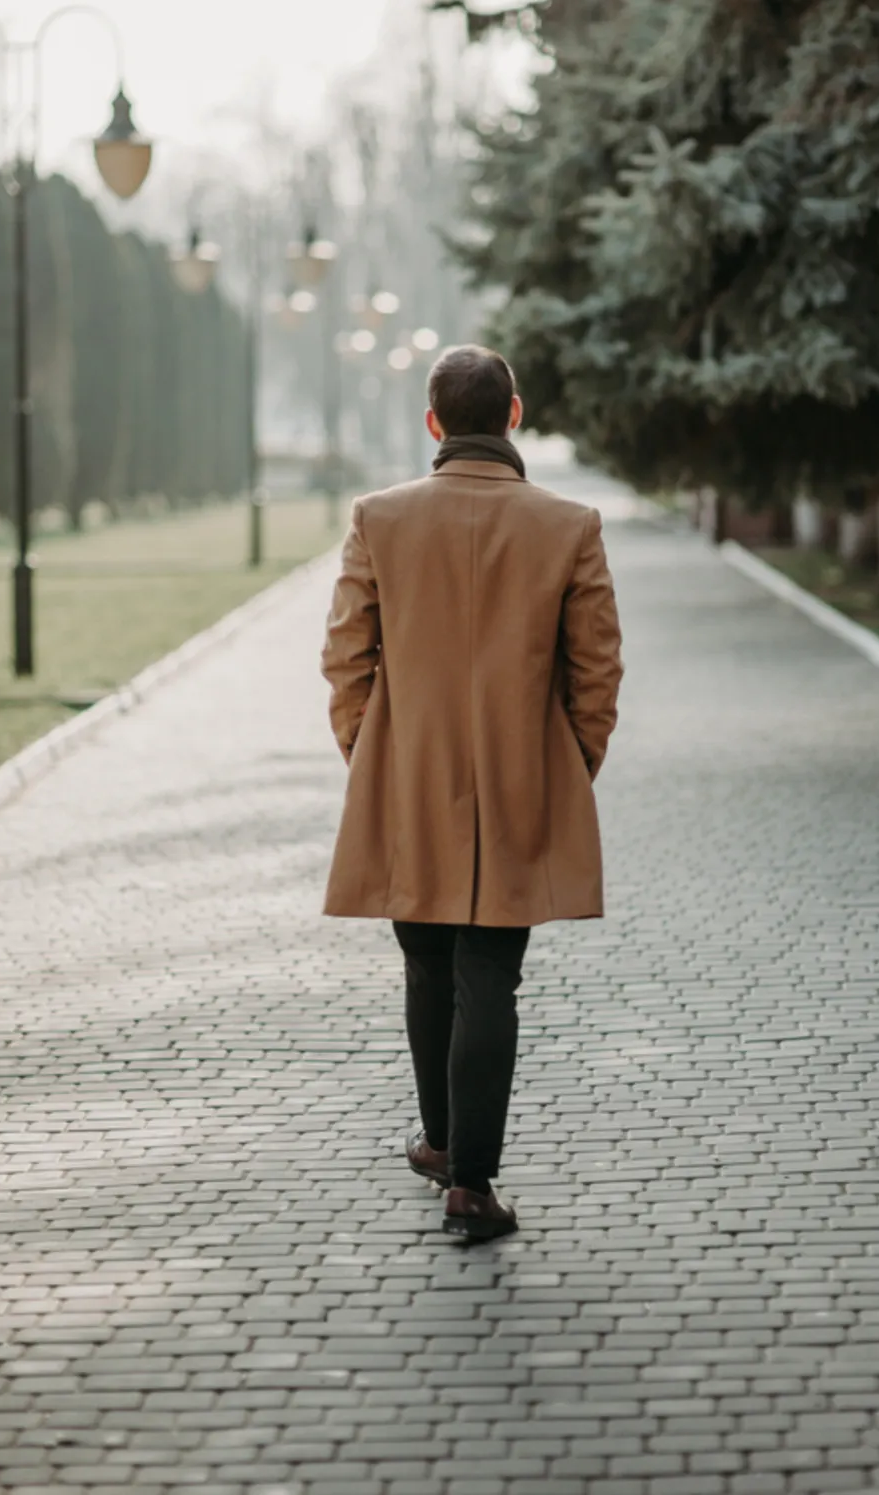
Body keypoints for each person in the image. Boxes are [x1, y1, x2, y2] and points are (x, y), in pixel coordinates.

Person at [320, 344, 623, 1241]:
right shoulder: (569, 524)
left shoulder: (379, 517)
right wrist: (567, 764)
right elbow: (597, 671)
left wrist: (373, 757)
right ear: (514, 415)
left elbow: (345, 658)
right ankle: (471, 1182)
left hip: (409, 780)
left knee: (427, 963)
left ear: (434, 422)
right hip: (521, 777)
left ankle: (446, 1145)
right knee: (490, 971)